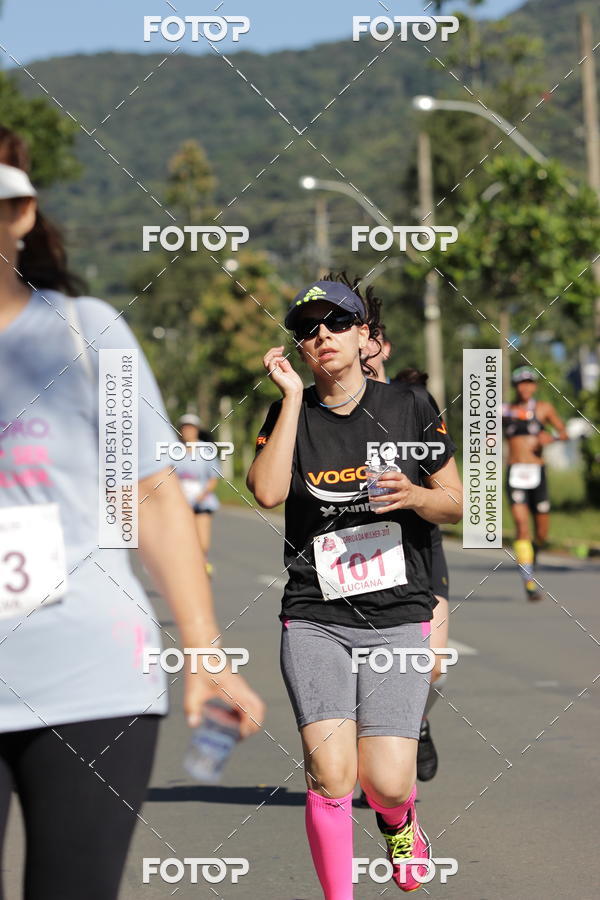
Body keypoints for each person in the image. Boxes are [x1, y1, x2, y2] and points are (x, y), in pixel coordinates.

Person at [0, 126, 264, 900]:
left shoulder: (86, 337)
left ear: (21, 215)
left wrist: (205, 655)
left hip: (91, 678)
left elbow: (150, 494)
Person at [247, 276, 463, 897]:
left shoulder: (409, 407)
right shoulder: (291, 412)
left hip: (397, 614)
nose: (322, 338)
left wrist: (418, 495)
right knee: (331, 774)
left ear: (363, 333)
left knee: (387, 782)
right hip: (315, 613)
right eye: (308, 331)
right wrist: (289, 399)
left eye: (336, 324)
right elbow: (266, 492)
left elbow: (458, 504)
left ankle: (402, 824)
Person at [362, 321, 452, 784]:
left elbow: (450, 493)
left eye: (370, 337)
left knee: (431, 666)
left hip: (418, 547)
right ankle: (376, 755)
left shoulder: (412, 403)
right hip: (357, 556)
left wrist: (414, 494)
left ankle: (416, 721)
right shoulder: (332, 405)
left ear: (382, 345)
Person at [503, 366, 568, 602]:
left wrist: (551, 437)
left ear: (535, 386)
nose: (525, 387)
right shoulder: (506, 411)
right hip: (515, 474)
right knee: (521, 525)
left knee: (541, 532)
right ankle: (528, 581)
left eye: (530, 382)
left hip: (537, 474)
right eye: (521, 383)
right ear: (515, 387)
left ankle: (534, 551)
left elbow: (564, 432)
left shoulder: (543, 409)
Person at [175, 413, 222, 571]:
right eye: (184, 428)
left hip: (202, 501)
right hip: (179, 502)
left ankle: (201, 566)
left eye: (191, 428)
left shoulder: (206, 450)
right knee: (182, 540)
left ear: (196, 430)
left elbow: (213, 477)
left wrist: (201, 495)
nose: (188, 431)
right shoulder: (173, 450)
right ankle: (185, 570)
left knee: (202, 541)